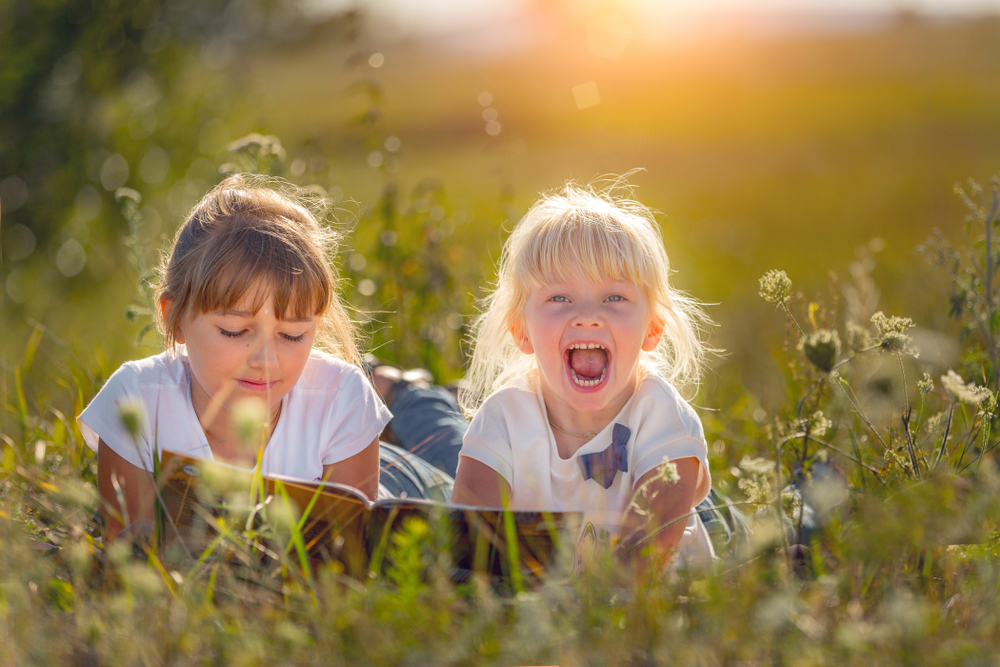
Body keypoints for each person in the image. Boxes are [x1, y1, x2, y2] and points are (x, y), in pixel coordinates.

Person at [80, 174, 391, 544]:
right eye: (234, 331)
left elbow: (349, 559)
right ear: (174, 317)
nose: (266, 360)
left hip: (399, 479)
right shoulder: (136, 401)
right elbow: (129, 554)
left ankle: (406, 393)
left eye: (292, 334)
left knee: (440, 440)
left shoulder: (342, 397)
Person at [450, 181, 717, 570]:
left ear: (652, 328)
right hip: (544, 604)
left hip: (656, 599)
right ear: (521, 330)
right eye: (559, 298)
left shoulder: (660, 414)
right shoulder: (504, 418)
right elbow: (471, 545)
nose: (588, 314)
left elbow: (642, 557)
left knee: (785, 534)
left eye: (615, 297)